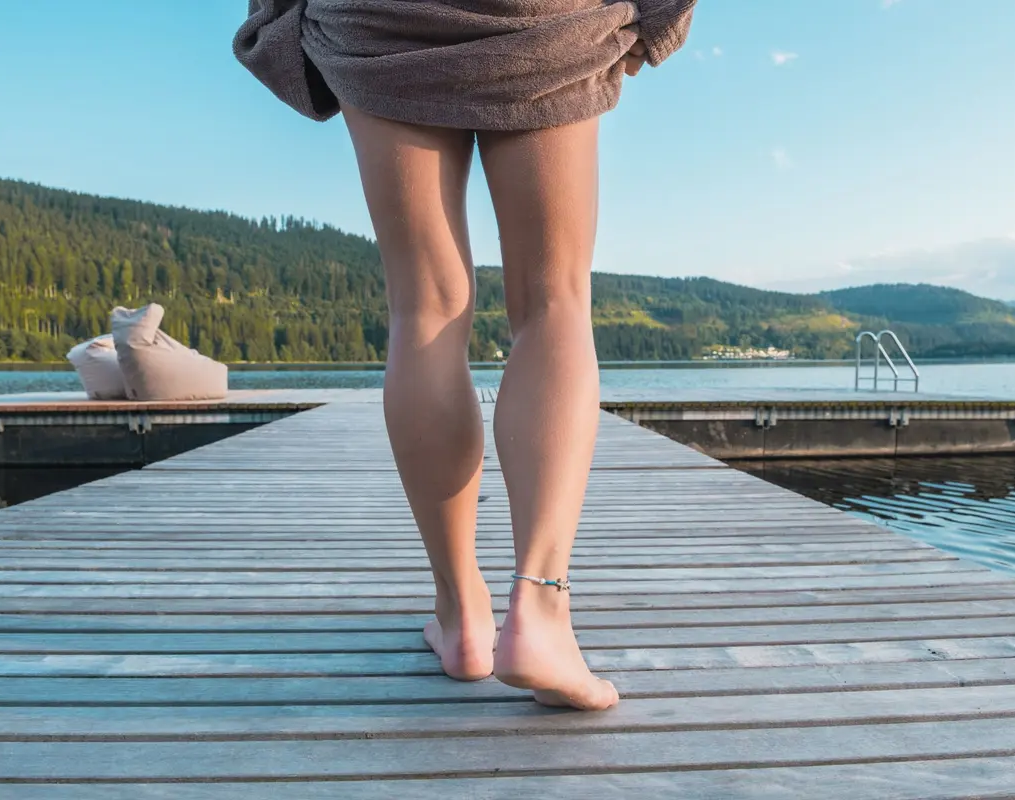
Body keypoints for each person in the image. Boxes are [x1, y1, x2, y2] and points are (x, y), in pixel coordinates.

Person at [234, 0, 696, 711]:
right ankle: (539, 613)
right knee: (553, 304)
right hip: (541, 13)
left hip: (378, 14)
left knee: (423, 305)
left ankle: (462, 620)